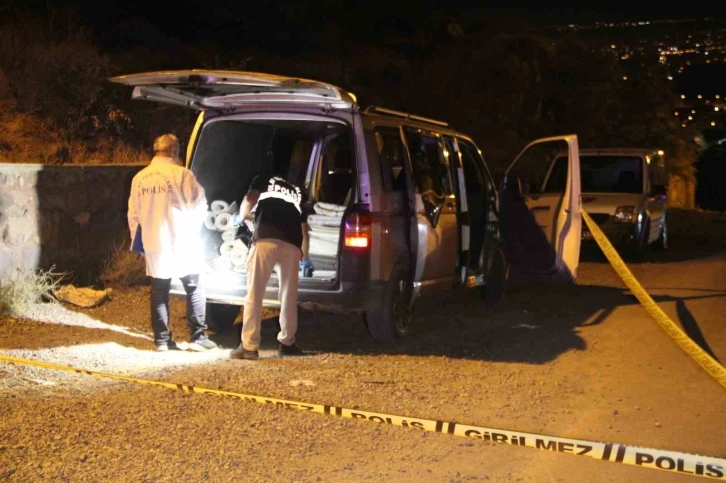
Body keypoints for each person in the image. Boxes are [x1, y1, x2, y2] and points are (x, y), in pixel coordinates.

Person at [127, 134, 217, 352]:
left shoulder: (139, 178)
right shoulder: (182, 174)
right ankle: (197, 337)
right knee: (194, 286)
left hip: (154, 241)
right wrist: (195, 229)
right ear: (174, 151)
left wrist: (138, 242)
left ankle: (162, 340)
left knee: (159, 290)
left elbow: (133, 214)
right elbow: (199, 204)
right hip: (181, 239)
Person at [229, 157, 312, 360]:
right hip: (292, 244)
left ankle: (249, 347)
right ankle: (287, 343)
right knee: (289, 296)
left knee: (255, 293)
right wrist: (306, 256)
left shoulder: (263, 178)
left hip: (266, 239)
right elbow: (304, 228)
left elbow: (250, 199)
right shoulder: (297, 190)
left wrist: (240, 217)